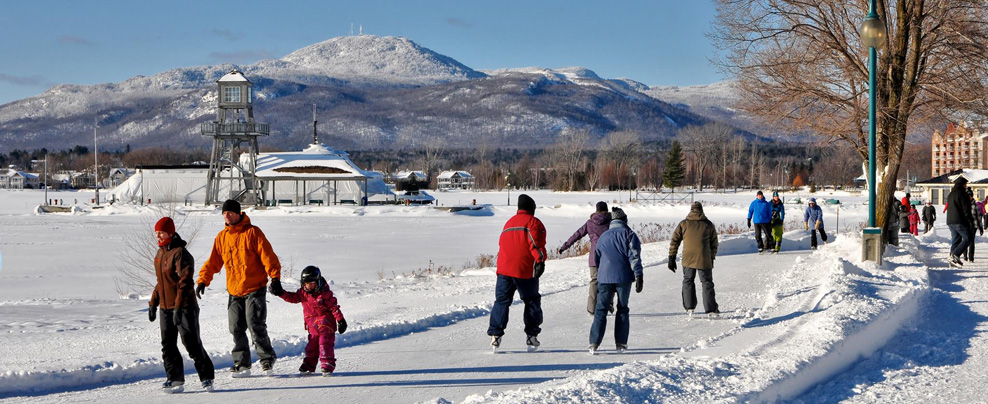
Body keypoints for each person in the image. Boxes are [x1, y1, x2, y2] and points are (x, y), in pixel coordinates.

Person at [197, 199, 283, 376]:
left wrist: (275, 277)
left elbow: (268, 256)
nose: (226, 216)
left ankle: (267, 359)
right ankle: (242, 363)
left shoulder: (253, 233)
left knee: (255, 324)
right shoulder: (222, 237)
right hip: (234, 290)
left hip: (255, 288)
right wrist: (203, 280)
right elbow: (213, 262)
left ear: (238, 213)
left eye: (230, 213)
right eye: (224, 213)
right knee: (235, 327)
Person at [149, 217, 215, 393]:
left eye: (161, 232)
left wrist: (178, 307)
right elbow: (161, 282)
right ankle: (175, 378)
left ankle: (207, 376)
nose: (158, 236)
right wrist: (153, 302)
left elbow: (185, 283)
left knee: (191, 342)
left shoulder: (181, 254)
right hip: (165, 307)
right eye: (157, 233)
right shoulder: (160, 254)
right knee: (168, 345)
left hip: (185, 306)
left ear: (170, 232)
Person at [487, 194, 547, 352]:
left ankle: (495, 335)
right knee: (532, 300)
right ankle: (531, 336)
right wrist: (540, 261)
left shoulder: (509, 223)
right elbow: (536, 244)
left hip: (504, 269)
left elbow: (502, 244)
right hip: (524, 269)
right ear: (532, 208)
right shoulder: (533, 222)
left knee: (501, 301)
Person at [269, 266, 347, 376]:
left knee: (324, 344)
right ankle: (309, 365)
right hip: (313, 327)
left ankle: (327, 365)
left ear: (318, 282)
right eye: (306, 284)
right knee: (311, 347)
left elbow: (334, 308)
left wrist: (341, 320)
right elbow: (292, 298)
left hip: (326, 326)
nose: (309, 286)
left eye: (312, 283)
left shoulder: (324, 294)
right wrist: (280, 293)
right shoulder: (303, 293)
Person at [588, 207, 643, 355]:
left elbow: (596, 257)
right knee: (623, 308)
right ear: (624, 220)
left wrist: (602, 272)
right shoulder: (629, 235)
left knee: (600, 309)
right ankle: (621, 343)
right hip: (623, 278)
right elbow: (634, 256)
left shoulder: (604, 236)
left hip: (604, 278)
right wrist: (638, 274)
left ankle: (594, 343)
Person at [558, 201, 612, 315]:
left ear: (596, 210)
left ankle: (591, 308)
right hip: (609, 257)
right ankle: (608, 304)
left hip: (594, 257)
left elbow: (577, 235)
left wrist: (564, 246)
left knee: (594, 281)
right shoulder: (611, 222)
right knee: (609, 281)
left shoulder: (590, 223)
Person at [669, 202, 720, 317]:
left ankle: (689, 307)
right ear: (701, 210)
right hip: (704, 258)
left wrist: (671, 257)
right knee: (706, 283)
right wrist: (711, 256)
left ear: (691, 210)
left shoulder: (684, 224)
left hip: (688, 257)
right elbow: (714, 243)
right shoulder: (708, 224)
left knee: (688, 280)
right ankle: (710, 309)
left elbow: (674, 241)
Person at [946, 177, 973, 267]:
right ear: (963, 185)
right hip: (959, 220)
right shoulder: (962, 194)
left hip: (950, 221)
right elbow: (966, 209)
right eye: (966, 184)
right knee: (968, 238)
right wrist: (970, 221)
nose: (966, 186)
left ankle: (952, 261)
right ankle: (955, 255)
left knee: (956, 240)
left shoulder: (951, 194)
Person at [965, 188, 984, 262]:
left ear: (972, 196)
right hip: (965, 225)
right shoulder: (964, 205)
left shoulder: (975, 205)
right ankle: (965, 256)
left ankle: (971, 257)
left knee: (971, 241)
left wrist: (980, 227)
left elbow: (979, 217)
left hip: (973, 225)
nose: (969, 197)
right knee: (965, 240)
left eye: (970, 196)